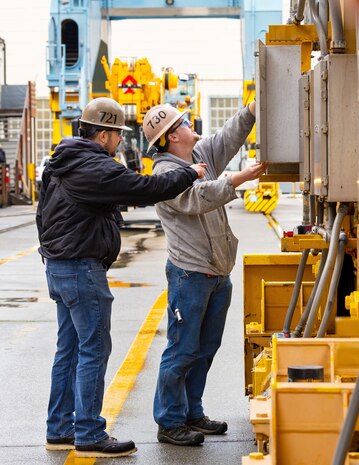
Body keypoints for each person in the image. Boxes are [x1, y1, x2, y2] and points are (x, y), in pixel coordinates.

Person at [36, 97, 206, 458]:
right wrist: (189, 173)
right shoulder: (94, 167)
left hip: (59, 266)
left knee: (69, 350)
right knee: (93, 349)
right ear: (103, 135)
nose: (118, 142)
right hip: (81, 268)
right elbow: (145, 188)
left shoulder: (60, 162)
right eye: (116, 135)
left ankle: (60, 428)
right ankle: (89, 433)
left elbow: (42, 215)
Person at [142, 102, 267, 447]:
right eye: (182, 122)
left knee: (205, 349)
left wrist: (252, 109)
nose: (189, 122)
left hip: (216, 272)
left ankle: (192, 413)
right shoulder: (164, 175)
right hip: (190, 275)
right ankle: (169, 421)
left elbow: (228, 137)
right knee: (182, 350)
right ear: (171, 137)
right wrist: (238, 179)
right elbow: (200, 197)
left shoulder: (199, 154)